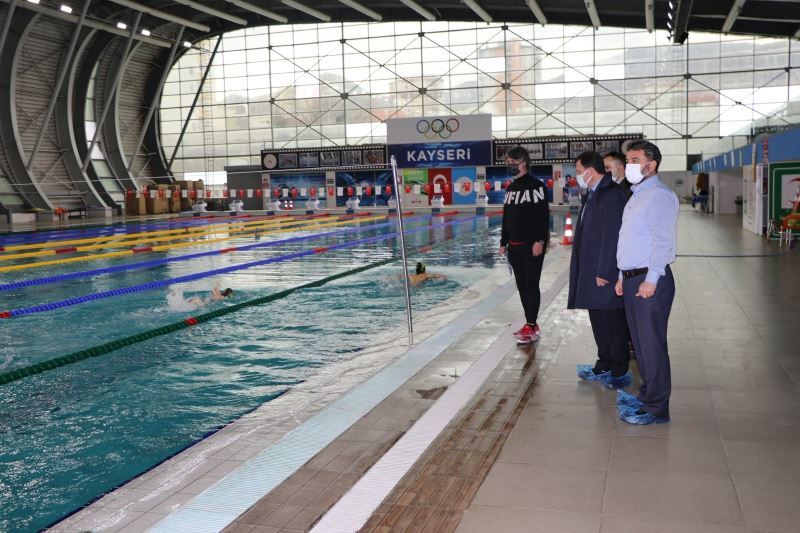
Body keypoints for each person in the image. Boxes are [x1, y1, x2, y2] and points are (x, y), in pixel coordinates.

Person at [615, 140, 679, 425]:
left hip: (649, 280)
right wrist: (622, 275)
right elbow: (631, 240)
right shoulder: (637, 195)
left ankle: (657, 407)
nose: (629, 165)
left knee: (651, 345)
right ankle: (646, 395)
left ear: (651, 165)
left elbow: (663, 242)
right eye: (628, 160)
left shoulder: (659, 196)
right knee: (640, 345)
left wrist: (651, 279)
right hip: (633, 278)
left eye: (635, 160)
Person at [569, 152, 632, 389]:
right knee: (598, 318)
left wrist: (605, 271)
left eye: (578, 171)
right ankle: (604, 363)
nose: (577, 176)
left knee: (612, 321)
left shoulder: (612, 195)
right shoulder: (593, 193)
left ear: (590, 170)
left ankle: (619, 370)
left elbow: (613, 236)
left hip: (603, 271)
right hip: (591, 268)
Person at [499, 145, 550, 344]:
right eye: (508, 162)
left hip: (532, 245)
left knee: (531, 284)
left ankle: (531, 323)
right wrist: (503, 242)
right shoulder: (510, 188)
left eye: (514, 162)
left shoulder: (536, 186)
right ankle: (530, 323)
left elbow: (542, 216)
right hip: (514, 246)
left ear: (524, 163)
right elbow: (506, 217)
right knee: (521, 286)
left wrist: (540, 240)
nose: (510, 165)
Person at [168, 285, 233, 311]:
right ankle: (182, 304)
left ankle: (182, 305)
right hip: (205, 302)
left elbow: (214, 289)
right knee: (194, 298)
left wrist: (217, 286)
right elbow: (215, 290)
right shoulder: (222, 296)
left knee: (196, 300)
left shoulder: (220, 296)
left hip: (205, 305)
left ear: (225, 291)